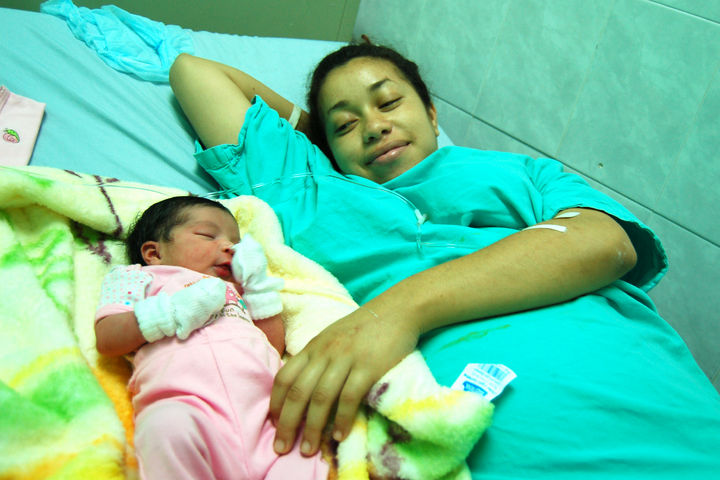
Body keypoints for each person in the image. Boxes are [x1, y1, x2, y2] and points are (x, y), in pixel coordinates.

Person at [168, 44, 720, 477]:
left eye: (389, 103)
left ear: (431, 112)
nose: (375, 126)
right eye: (346, 123)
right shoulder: (302, 191)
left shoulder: (522, 174)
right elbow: (193, 73)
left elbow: (605, 243)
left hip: (637, 379)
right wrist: (319, 141)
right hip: (483, 431)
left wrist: (395, 313)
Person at [94, 196, 329, 480]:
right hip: (189, 409)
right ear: (154, 253)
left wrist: (258, 287)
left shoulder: (236, 290)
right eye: (208, 235)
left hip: (268, 418)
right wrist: (171, 312)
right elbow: (108, 339)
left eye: (236, 243)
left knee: (305, 447)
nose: (229, 247)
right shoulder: (138, 278)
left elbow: (272, 347)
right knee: (164, 427)